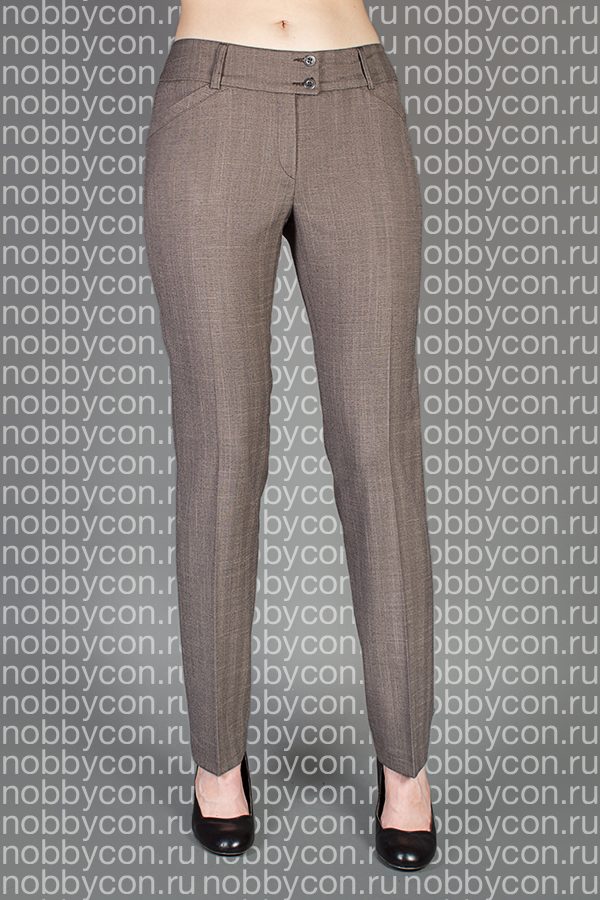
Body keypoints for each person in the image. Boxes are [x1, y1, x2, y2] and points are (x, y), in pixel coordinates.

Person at [143, 0, 437, 869]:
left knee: (379, 453)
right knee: (221, 456)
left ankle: (407, 768)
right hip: (213, 100)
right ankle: (217, 761)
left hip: (356, 102)